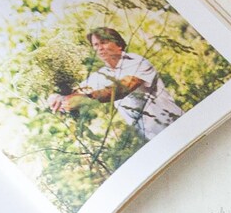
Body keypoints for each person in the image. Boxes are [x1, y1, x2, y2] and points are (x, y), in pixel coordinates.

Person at [48, 27, 183, 141]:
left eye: (104, 42)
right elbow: (77, 92)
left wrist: (87, 98)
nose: (100, 48)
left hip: (176, 125)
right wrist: (58, 98)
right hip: (151, 138)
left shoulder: (136, 61)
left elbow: (121, 89)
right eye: (96, 45)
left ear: (118, 44)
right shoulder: (99, 76)